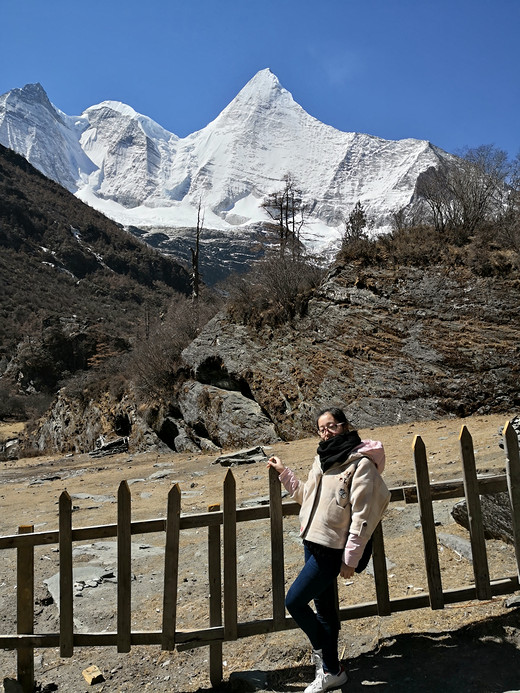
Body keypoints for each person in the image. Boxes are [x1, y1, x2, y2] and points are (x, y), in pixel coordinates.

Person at [267, 406, 390, 693]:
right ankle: (333, 671)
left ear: (345, 426)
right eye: (322, 428)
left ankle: (324, 656)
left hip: (331, 550)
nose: (326, 432)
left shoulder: (361, 465)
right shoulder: (322, 459)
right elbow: (306, 496)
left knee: (294, 602)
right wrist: (285, 473)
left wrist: (350, 559)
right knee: (325, 611)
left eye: (332, 426)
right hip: (312, 542)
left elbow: (362, 517)